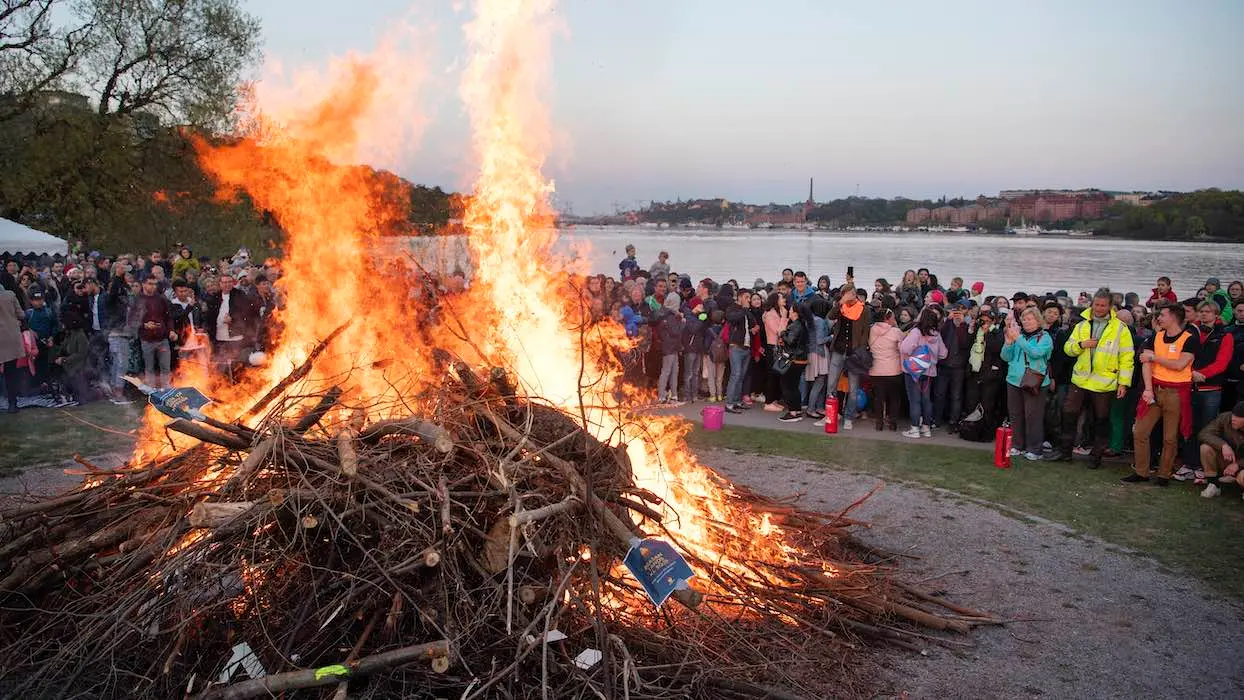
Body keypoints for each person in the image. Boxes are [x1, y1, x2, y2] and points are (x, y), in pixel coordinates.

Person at [1053, 290, 1135, 468]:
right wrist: (1082, 345)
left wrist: (1123, 383)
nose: (1098, 308)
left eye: (1102, 305)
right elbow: (1068, 349)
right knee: (1068, 414)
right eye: (1096, 304)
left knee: (1101, 420)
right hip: (1080, 379)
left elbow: (1127, 358)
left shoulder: (1121, 328)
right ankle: (1065, 451)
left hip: (1104, 382)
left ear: (1110, 306)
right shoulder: (1082, 325)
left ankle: (1096, 456)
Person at [1125, 303, 1199, 486]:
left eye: (1163, 315)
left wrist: (1154, 358)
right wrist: (1148, 389)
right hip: (1155, 390)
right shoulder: (1156, 337)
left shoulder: (1189, 339)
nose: (1158, 318)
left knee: (1170, 437)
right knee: (1140, 432)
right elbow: (1145, 363)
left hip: (1176, 393)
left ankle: (1163, 475)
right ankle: (1141, 472)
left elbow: (1179, 365)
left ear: (1174, 317)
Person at [1174, 300, 1234, 481]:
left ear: (1216, 314)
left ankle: (1203, 465)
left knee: (1207, 427)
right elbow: (1181, 355)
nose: (1204, 314)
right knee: (1188, 426)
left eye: (1208, 312)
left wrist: (1202, 374)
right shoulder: (1189, 332)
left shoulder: (1224, 335)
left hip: (1211, 388)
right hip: (1190, 385)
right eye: (1201, 312)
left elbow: (1222, 363)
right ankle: (1188, 464)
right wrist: (1191, 373)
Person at [1001, 307, 1053, 460]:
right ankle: (1017, 445)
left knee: (1033, 416)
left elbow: (1035, 353)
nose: (1026, 322)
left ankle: (1035, 449)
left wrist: (1018, 339)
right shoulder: (1019, 336)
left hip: (1034, 382)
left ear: (1038, 320)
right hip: (1014, 380)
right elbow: (1005, 357)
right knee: (1015, 415)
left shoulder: (1045, 337)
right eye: (1024, 319)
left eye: (1030, 319)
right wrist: (1009, 343)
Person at [826, 284, 870, 430]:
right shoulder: (841, 307)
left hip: (853, 352)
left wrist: (860, 350)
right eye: (847, 293)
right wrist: (840, 302)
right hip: (838, 349)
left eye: (852, 293)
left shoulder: (863, 309)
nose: (850, 295)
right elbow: (830, 317)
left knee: (853, 388)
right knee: (831, 384)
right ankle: (831, 414)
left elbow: (865, 332)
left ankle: (849, 417)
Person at [899, 307, 948, 438]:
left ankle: (914, 428)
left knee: (914, 400)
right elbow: (943, 353)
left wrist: (900, 343)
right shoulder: (936, 334)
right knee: (926, 400)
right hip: (929, 372)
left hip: (913, 371)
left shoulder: (916, 332)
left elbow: (905, 349)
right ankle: (926, 428)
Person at [206, 274, 258, 376]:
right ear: (220, 284)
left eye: (229, 282)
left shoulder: (240, 295)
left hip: (236, 338)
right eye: (224, 282)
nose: (227, 284)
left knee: (237, 366)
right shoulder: (215, 298)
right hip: (219, 339)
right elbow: (209, 317)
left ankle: (237, 387)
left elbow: (247, 314)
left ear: (233, 283)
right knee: (220, 366)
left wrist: (232, 320)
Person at [935, 302, 971, 432]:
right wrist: (947, 320)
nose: (957, 314)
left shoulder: (966, 326)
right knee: (939, 394)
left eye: (960, 311)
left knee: (956, 396)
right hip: (943, 364)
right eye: (955, 311)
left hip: (958, 366)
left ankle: (953, 421)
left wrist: (961, 325)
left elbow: (965, 343)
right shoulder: (946, 324)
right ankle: (937, 419)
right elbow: (939, 336)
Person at [1196, 402, 1244, 498]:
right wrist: (1223, 445)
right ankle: (1213, 484)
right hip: (1228, 459)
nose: (1233, 418)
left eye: (1238, 417)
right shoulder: (1225, 418)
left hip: (1241, 464)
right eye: (1233, 415)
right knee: (1206, 448)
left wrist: (1238, 465)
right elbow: (1204, 433)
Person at [134, 277, 175, 388]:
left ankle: (166, 390)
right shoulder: (137, 300)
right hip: (146, 340)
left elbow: (168, 317)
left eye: (155, 284)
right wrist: (144, 325)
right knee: (149, 368)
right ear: (143, 284)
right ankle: (150, 392)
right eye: (150, 284)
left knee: (165, 366)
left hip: (162, 339)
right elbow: (132, 320)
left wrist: (171, 331)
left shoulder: (161, 299)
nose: (153, 286)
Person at [869, 307, 905, 431]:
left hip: (876, 370)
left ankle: (879, 422)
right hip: (893, 370)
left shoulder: (872, 330)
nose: (895, 319)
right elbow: (903, 346)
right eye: (893, 317)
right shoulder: (896, 332)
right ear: (887, 319)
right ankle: (893, 422)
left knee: (878, 398)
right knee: (894, 397)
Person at [723, 288, 757, 414]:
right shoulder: (732, 308)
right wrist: (744, 309)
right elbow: (732, 319)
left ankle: (737, 401)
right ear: (741, 297)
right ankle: (729, 403)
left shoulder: (746, 311)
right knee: (735, 375)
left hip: (746, 346)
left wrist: (754, 327)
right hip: (736, 346)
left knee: (741, 376)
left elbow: (753, 322)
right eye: (747, 297)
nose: (749, 300)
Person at [777, 302, 809, 422]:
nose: (789, 312)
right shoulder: (802, 324)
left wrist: (783, 333)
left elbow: (790, 341)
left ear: (795, 312)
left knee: (786, 385)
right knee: (794, 386)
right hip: (800, 359)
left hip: (793, 359)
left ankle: (793, 412)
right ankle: (797, 410)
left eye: (790, 310)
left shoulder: (796, 325)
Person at [804, 296, 832, 423]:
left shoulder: (809, 319)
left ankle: (819, 407)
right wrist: (831, 336)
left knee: (818, 381)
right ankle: (811, 409)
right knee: (820, 381)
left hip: (811, 353)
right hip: (820, 353)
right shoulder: (820, 321)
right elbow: (820, 340)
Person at [760, 292, 789, 411]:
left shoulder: (779, 312)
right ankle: (768, 402)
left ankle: (773, 400)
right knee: (772, 374)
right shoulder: (769, 314)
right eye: (782, 298)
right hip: (772, 347)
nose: (784, 300)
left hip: (779, 346)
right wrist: (784, 317)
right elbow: (778, 331)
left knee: (777, 374)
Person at [655, 294, 684, 405]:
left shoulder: (664, 313)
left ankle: (673, 395)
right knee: (667, 371)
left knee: (673, 371)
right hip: (670, 347)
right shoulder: (670, 315)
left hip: (671, 346)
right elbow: (675, 332)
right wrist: (682, 322)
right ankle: (662, 396)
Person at [0, 283, 23, 413]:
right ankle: (12, 404)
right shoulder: (10, 295)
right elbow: (21, 314)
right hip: (10, 338)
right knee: (11, 373)